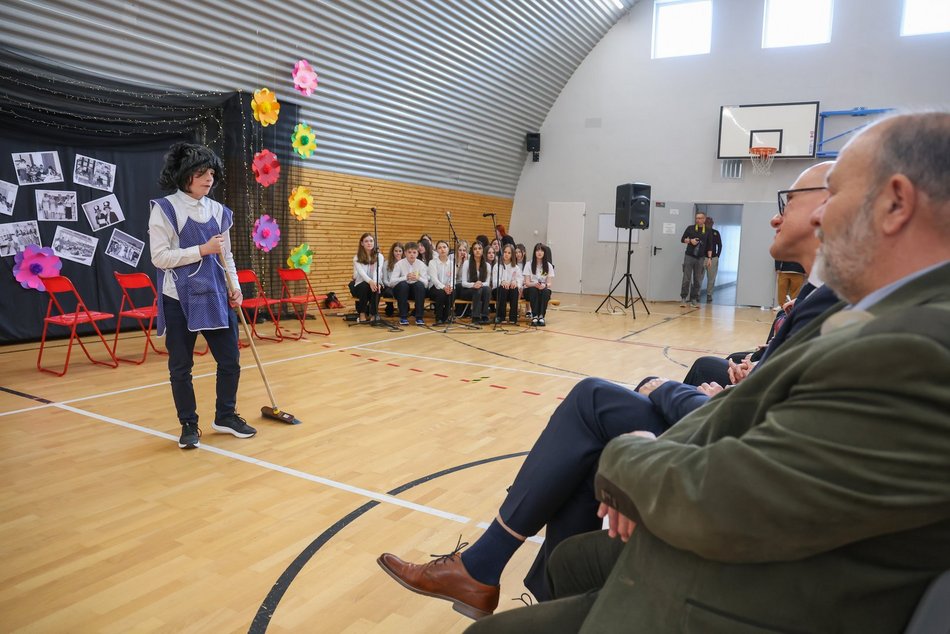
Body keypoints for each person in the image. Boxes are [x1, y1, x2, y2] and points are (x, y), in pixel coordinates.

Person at [460, 112, 950, 633]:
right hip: (760, 558)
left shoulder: (909, 349)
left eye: (835, 194)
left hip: (747, 595)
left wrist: (631, 453)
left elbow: (727, 499)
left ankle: (489, 571)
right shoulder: (892, 320)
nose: (820, 216)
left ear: (895, 203)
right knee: (565, 563)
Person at [376, 161, 838, 618]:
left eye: (788, 202)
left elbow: (757, 418)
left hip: (731, 459)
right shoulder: (822, 297)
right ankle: (543, 591)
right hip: (733, 439)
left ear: (828, 207)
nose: (776, 216)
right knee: (592, 441)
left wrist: (670, 390)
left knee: (592, 401)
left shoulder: (828, 304)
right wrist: (750, 374)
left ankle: (495, 569)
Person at [682, 171, 836, 387]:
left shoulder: (835, 303)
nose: (775, 219)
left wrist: (753, 376)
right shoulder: (819, 289)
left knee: (677, 376)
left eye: (789, 204)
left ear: (826, 211)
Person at [148, 142, 256, 450]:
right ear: (184, 175)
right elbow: (159, 258)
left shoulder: (219, 211)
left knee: (230, 360)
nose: (209, 178)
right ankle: (188, 424)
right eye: (201, 173)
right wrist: (202, 250)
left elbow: (227, 256)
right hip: (178, 298)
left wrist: (235, 286)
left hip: (215, 294)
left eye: (211, 173)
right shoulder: (165, 209)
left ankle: (225, 416)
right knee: (181, 366)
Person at [390, 241, 429, 325]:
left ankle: (419, 317)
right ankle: (403, 317)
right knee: (403, 285)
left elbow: (426, 284)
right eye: (409, 252)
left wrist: (418, 278)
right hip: (401, 291)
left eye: (414, 252)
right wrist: (405, 277)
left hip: (415, 292)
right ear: (405, 253)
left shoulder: (421, 264)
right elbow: (392, 282)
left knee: (419, 285)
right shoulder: (399, 264)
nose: (412, 255)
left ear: (417, 253)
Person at [349, 232, 384, 322]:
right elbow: (362, 273)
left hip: (375, 281)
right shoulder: (356, 258)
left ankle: (373, 313)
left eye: (371, 241)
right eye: (366, 241)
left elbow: (377, 271)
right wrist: (370, 282)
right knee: (364, 286)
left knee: (377, 287)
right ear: (362, 243)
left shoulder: (379, 256)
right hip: (361, 283)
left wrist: (374, 282)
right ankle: (362, 313)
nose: (369, 243)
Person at [679, 210, 707, 308]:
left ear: (704, 219)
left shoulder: (707, 230)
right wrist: (690, 241)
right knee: (686, 278)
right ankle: (683, 298)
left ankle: (694, 299)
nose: (697, 220)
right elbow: (682, 239)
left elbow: (710, 245)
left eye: (700, 218)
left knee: (697, 279)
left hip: (700, 258)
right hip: (689, 256)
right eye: (696, 218)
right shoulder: (690, 228)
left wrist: (709, 258)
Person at [460, 241, 491, 324]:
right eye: (475, 249)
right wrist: (474, 284)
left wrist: (480, 284)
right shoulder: (467, 263)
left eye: (479, 248)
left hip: (480, 289)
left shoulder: (487, 265)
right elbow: (464, 283)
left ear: (483, 250)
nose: (477, 250)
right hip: (467, 290)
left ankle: (484, 316)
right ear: (472, 251)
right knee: (478, 290)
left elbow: (487, 283)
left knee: (487, 289)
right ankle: (475, 317)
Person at [523, 243, 554, 326]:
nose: (539, 252)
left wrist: (544, 285)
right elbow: (527, 283)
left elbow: (549, 283)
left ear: (544, 253)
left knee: (546, 292)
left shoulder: (549, 266)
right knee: (533, 290)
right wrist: (534, 284)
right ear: (534, 252)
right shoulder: (528, 264)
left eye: (541, 250)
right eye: (537, 250)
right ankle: (535, 316)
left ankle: (541, 316)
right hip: (530, 289)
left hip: (542, 289)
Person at [427, 239, 454, 325]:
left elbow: (453, 278)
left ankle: (446, 316)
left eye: (444, 247)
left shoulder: (452, 263)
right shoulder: (432, 262)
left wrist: (450, 287)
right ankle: (438, 317)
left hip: (447, 287)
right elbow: (434, 279)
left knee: (452, 292)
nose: (442, 249)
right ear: (436, 250)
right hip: (434, 288)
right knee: (441, 293)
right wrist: (444, 287)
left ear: (448, 249)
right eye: (439, 248)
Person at [494, 244, 522, 324]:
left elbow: (520, 280)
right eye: (505, 252)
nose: (506, 254)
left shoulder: (516, 267)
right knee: (503, 288)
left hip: (510, 292)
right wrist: (502, 282)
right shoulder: (497, 266)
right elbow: (495, 281)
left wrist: (515, 282)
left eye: (509, 253)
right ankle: (501, 316)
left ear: (512, 255)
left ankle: (513, 318)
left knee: (514, 289)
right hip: (498, 291)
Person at [381, 241, 404, 317]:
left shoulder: (405, 263)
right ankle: (390, 306)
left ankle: (402, 307)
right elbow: (384, 280)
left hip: (401, 286)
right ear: (392, 252)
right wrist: (391, 285)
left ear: (403, 252)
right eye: (396, 251)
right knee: (387, 292)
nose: (398, 253)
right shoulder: (386, 263)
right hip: (390, 285)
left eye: (400, 251)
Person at [703, 216, 722, 302]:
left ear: (713, 223)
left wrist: (718, 255)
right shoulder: (701, 232)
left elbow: (720, 245)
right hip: (702, 258)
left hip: (713, 258)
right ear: (704, 223)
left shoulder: (716, 233)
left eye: (710, 222)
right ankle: (696, 295)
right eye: (707, 222)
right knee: (699, 277)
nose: (709, 224)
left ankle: (709, 294)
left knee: (711, 278)